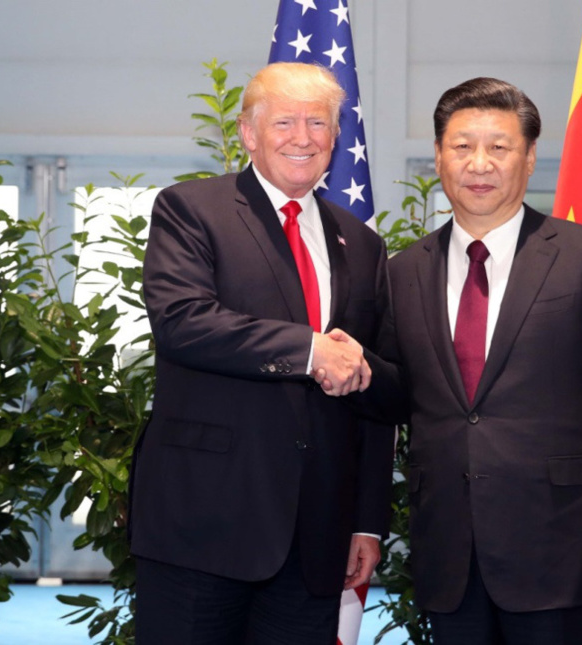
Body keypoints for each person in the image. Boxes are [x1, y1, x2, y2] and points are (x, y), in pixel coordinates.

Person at [385, 77, 582, 644]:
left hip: (566, 553)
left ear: (531, 157)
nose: (479, 164)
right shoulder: (401, 272)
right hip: (450, 558)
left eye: (499, 147)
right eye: (462, 147)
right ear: (439, 156)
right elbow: (391, 404)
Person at [130, 62, 400, 644]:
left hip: (317, 540)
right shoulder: (191, 210)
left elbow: (373, 397)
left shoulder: (364, 244)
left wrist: (366, 522)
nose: (302, 137)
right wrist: (308, 351)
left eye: (318, 123)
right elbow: (183, 322)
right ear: (249, 133)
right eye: (284, 121)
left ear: (336, 137)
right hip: (201, 527)